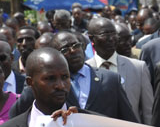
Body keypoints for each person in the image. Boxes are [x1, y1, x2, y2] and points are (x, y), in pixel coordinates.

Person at [10, 32, 138, 122]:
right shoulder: (44, 85)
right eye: (65, 49)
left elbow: (129, 121)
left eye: (76, 46)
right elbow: (17, 117)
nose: (73, 51)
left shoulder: (110, 79)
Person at [86, 18, 153, 124]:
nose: (111, 38)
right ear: (92, 38)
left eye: (113, 34)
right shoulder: (86, 70)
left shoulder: (138, 68)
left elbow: (148, 111)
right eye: (105, 34)